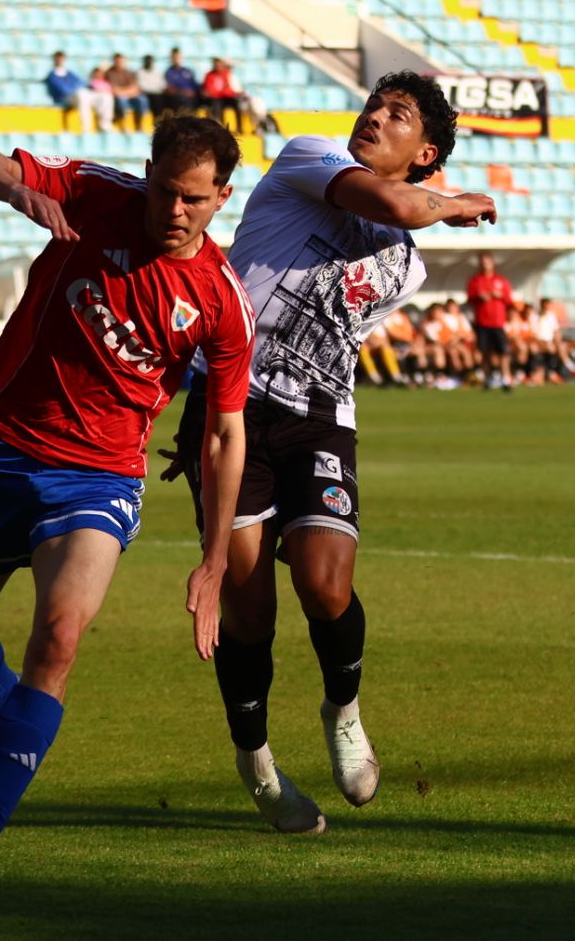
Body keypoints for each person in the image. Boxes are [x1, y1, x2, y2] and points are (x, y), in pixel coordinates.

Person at [0, 116, 254, 892]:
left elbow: (224, 436)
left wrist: (214, 561)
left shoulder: (220, 298)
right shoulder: (94, 192)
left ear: (222, 198)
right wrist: (16, 189)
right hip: (2, 448)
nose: (176, 211)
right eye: (166, 191)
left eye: (196, 200)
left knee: (61, 632)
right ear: (147, 173)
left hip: (100, 477)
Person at [167, 72, 496, 834]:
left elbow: (396, 224)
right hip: (231, 408)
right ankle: (258, 767)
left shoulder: (406, 263)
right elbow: (394, 202)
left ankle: (342, 708)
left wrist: (429, 205)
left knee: (324, 581)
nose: (375, 116)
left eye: (398, 115)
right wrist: (456, 201)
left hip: (319, 416)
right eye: (375, 104)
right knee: (248, 607)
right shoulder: (307, 157)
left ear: (426, 150)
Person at [465, 251, 514, 392]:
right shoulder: (475, 281)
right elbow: (469, 299)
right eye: (483, 262)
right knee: (484, 351)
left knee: (503, 351)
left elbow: (509, 300)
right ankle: (487, 378)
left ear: (493, 263)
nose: (485, 264)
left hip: (498, 322)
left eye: (487, 261)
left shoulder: (501, 280)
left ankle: (506, 379)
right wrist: (479, 297)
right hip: (482, 322)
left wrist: (500, 296)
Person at [44, 51, 111, 133]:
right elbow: (63, 89)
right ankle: (86, 128)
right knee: (82, 95)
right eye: (58, 59)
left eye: (61, 59)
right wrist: (76, 89)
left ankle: (104, 126)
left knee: (105, 96)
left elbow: (80, 83)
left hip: (79, 95)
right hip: (66, 98)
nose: (60, 61)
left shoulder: (69, 73)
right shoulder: (52, 75)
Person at [202, 58, 248, 133]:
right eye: (216, 64)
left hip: (225, 97)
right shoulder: (209, 75)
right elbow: (209, 90)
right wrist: (218, 93)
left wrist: (232, 94)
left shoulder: (225, 74)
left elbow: (227, 88)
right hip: (216, 98)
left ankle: (239, 127)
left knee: (236, 103)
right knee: (216, 104)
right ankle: (219, 127)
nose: (218, 66)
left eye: (219, 64)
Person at [106, 54, 149, 131]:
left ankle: (140, 125)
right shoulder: (109, 73)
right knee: (121, 99)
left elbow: (135, 88)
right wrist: (128, 92)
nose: (119, 63)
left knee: (142, 99)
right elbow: (114, 90)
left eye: (121, 61)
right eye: (117, 61)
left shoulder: (129, 72)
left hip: (130, 96)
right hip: (120, 97)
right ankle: (124, 124)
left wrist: (125, 92)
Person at [164, 47, 200, 116]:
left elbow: (195, 85)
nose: (177, 59)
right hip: (179, 96)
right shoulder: (169, 72)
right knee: (181, 100)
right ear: (171, 58)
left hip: (191, 96)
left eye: (178, 57)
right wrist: (185, 92)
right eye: (175, 57)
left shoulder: (188, 71)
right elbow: (170, 88)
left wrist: (195, 91)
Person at [136, 54, 168, 119]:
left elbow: (163, 84)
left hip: (158, 93)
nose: (149, 63)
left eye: (151, 61)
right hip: (146, 93)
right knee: (155, 99)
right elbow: (141, 86)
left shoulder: (157, 72)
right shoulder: (140, 72)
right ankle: (157, 119)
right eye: (147, 61)